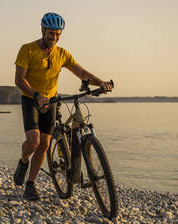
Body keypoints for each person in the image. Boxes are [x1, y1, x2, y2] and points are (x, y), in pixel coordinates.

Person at [14, 12, 113, 200]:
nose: (54, 37)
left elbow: (81, 72)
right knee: (33, 141)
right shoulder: (27, 50)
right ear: (43, 30)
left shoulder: (62, 54)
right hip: (31, 98)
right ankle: (24, 161)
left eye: (58, 34)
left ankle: (30, 184)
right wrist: (36, 95)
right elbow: (19, 79)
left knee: (44, 144)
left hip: (51, 100)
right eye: (51, 33)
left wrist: (100, 83)